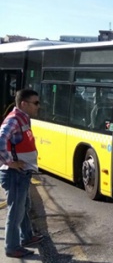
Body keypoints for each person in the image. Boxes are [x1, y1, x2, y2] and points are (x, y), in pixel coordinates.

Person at [0, 89, 44, 258]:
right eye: (36, 103)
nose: (38, 107)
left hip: (21, 172)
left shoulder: (22, 118)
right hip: (15, 174)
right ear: (24, 104)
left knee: (24, 207)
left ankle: (26, 236)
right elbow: (1, 139)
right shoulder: (14, 120)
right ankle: (12, 247)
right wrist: (9, 161)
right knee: (16, 211)